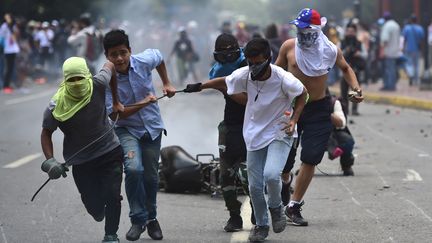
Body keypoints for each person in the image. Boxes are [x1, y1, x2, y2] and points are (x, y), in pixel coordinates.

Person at [185, 38, 308, 242]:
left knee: (270, 175)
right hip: (254, 135)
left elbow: (303, 94)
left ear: (268, 59)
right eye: (250, 62)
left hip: (280, 132)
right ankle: (261, 225)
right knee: (254, 186)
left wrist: (294, 119)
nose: (253, 67)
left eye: (258, 62)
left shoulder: (283, 78)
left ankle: (276, 208)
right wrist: (198, 86)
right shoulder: (245, 75)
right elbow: (224, 82)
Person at [275, 8, 363, 226]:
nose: (301, 33)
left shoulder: (330, 50)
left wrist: (356, 88)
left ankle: (294, 206)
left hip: (318, 108)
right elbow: (274, 74)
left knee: (312, 157)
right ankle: (286, 180)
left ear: (316, 30)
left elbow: (346, 68)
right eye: (298, 29)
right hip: (291, 108)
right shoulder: (289, 47)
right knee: (285, 161)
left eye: (305, 29)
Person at [40, 57, 126, 243]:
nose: (76, 83)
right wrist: (50, 161)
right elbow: (46, 132)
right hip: (81, 161)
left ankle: (111, 235)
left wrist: (116, 100)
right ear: (64, 80)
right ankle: (97, 211)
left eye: (79, 77)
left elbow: (110, 64)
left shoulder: (98, 83)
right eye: (71, 79)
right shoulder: (56, 105)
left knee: (113, 195)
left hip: (110, 150)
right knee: (93, 206)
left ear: (87, 75)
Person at [103, 29, 176, 241]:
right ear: (106, 56)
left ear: (130, 51)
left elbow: (160, 57)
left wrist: (167, 82)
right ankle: (137, 219)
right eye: (113, 54)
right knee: (134, 170)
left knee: (151, 177)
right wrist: (143, 102)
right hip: (125, 129)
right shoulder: (105, 78)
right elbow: (116, 112)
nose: (119, 58)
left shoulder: (143, 60)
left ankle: (152, 219)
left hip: (152, 127)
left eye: (123, 52)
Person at [201, 33, 253, 232]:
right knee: (225, 176)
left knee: (249, 176)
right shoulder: (219, 70)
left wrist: (225, 89)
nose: (226, 59)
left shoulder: (249, 66)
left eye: (229, 54)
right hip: (230, 125)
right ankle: (234, 216)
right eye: (221, 56)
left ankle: (259, 211)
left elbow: (247, 100)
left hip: (251, 126)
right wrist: (200, 87)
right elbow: (213, 81)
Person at [327, 94, 355, 176]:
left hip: (334, 132)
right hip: (314, 133)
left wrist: (327, 114)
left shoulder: (333, 102)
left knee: (348, 141)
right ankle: (305, 165)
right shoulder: (308, 101)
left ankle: (346, 165)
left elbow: (341, 123)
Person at [340, 23, 365, 116]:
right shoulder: (342, 42)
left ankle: (354, 109)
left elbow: (365, 54)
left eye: (352, 31)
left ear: (355, 32)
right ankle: (345, 109)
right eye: (348, 31)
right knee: (344, 92)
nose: (350, 33)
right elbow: (337, 54)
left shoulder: (359, 43)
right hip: (344, 71)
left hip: (356, 69)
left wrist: (359, 54)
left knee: (356, 90)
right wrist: (345, 51)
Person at [380, 12, 400, 91]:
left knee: (388, 69)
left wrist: (382, 51)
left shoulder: (387, 26)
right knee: (393, 69)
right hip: (395, 50)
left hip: (388, 51)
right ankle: (392, 84)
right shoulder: (396, 25)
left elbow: (385, 40)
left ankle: (389, 85)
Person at [402, 14, 425, 86]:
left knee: (409, 63)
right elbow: (422, 41)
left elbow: (404, 39)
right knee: (416, 65)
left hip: (409, 48)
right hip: (417, 49)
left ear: (411, 20)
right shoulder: (420, 28)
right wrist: (422, 50)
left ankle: (411, 75)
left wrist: (403, 47)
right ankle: (416, 80)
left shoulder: (406, 28)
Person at [0, 13, 20, 94]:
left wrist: (12, 28)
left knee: (12, 68)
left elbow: (16, 36)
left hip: (14, 49)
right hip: (7, 50)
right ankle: (5, 85)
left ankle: (10, 84)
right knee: (8, 68)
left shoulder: (14, 26)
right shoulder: (4, 26)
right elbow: (1, 37)